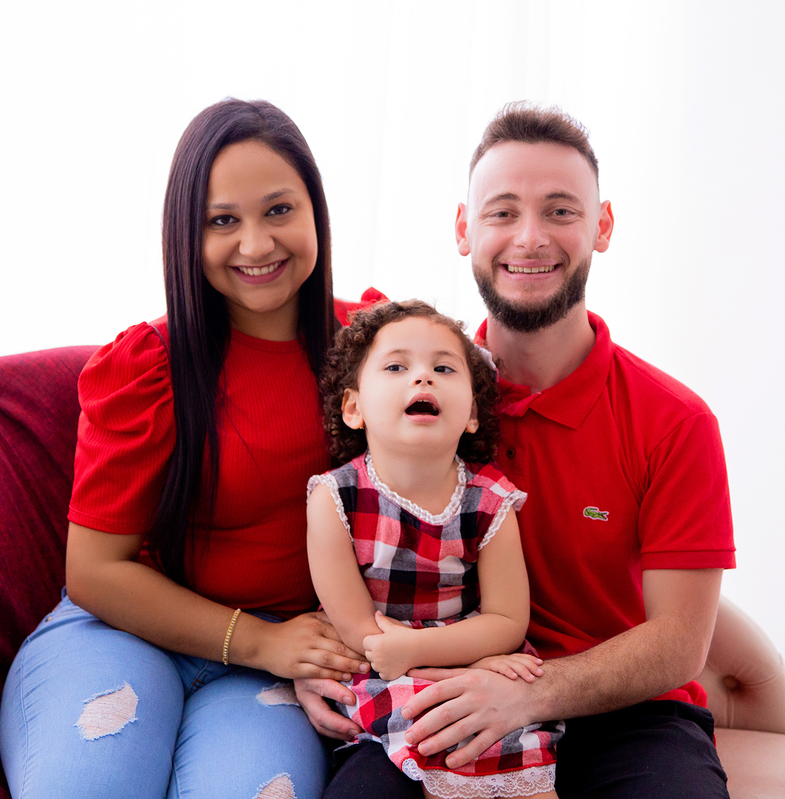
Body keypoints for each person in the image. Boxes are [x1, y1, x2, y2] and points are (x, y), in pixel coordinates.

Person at [299, 103, 737, 799]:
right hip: (433, 689)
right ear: (464, 230)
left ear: (603, 226)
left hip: (628, 718)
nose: (529, 238)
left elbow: (679, 643)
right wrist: (313, 659)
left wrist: (528, 696)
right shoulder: (412, 393)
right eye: (502, 212)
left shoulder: (675, 421)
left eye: (560, 210)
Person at [0, 99, 374, 799]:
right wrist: (265, 642)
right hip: (123, 633)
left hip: (268, 668)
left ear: (316, 211)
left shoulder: (374, 349)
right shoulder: (149, 364)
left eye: (279, 211)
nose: (256, 245)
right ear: (185, 235)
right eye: (222, 221)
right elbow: (95, 570)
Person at [306, 300, 562, 799]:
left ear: (471, 414)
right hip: (378, 670)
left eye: (443, 368)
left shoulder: (491, 502)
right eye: (397, 366)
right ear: (354, 407)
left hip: (466, 660)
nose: (422, 378)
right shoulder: (334, 498)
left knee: (501, 752)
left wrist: (428, 652)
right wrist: (417, 656)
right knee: (432, 730)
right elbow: (360, 631)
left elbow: (508, 621)